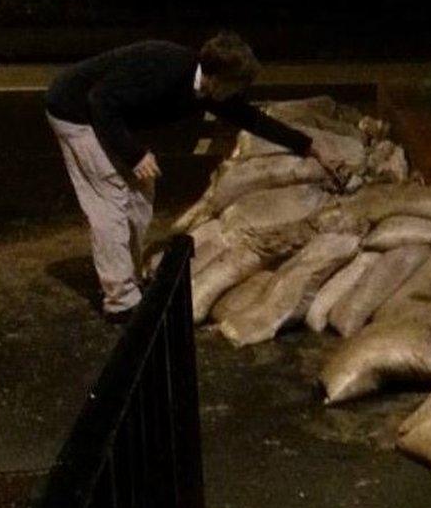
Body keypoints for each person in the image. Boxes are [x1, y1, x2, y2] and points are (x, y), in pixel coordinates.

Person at [45, 31, 318, 323]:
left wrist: (307, 145)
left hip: (106, 117)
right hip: (75, 111)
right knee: (110, 198)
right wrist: (135, 154)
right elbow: (99, 100)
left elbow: (251, 118)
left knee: (140, 192)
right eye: (236, 86)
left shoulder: (209, 88)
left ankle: (130, 279)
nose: (237, 94)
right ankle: (120, 301)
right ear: (217, 78)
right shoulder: (165, 68)